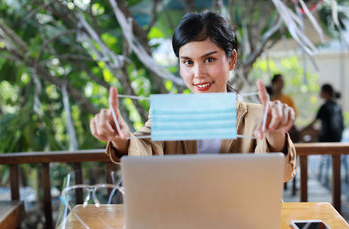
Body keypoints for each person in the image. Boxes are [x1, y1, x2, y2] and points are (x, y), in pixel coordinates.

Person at [90, 10, 297, 182]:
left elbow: (282, 175)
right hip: (181, 223)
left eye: (209, 60)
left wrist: (275, 137)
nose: (198, 74)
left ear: (232, 59)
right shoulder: (169, 115)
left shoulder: (259, 117)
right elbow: (143, 150)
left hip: (244, 224)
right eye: (188, 62)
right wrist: (121, 139)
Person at [271, 74, 300, 143]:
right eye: (279, 81)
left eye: (282, 82)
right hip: (273, 131)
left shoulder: (288, 99)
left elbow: (294, 116)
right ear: (273, 83)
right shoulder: (270, 100)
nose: (281, 84)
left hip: (287, 131)